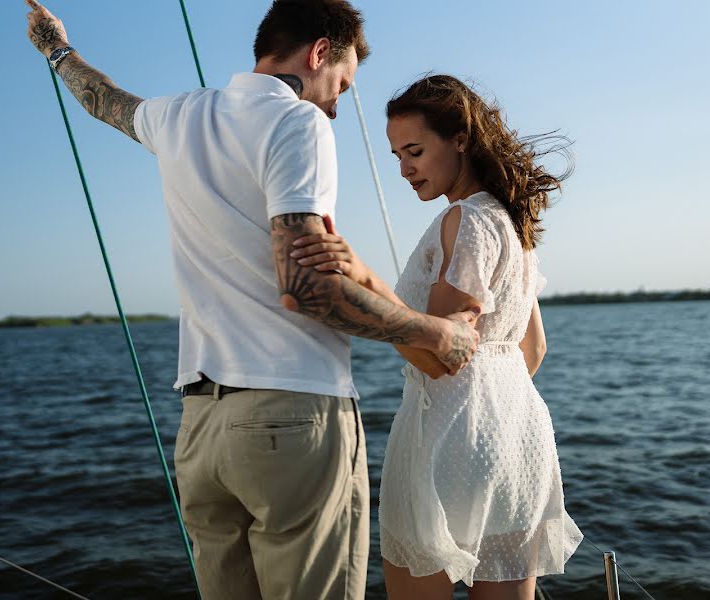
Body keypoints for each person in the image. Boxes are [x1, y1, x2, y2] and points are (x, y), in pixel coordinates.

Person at [25, 2, 481, 599]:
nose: (337, 105)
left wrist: (54, 47)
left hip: (202, 427)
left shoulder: (178, 115)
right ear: (318, 53)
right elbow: (305, 289)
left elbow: (101, 98)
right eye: (341, 83)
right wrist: (435, 334)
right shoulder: (297, 122)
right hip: (293, 416)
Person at [292, 74, 583, 599]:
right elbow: (532, 350)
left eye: (415, 151)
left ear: (461, 139)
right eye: (397, 155)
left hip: (445, 439)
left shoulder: (464, 219)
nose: (405, 169)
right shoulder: (512, 220)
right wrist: (491, 406)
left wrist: (361, 277)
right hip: (518, 437)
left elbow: (439, 358)